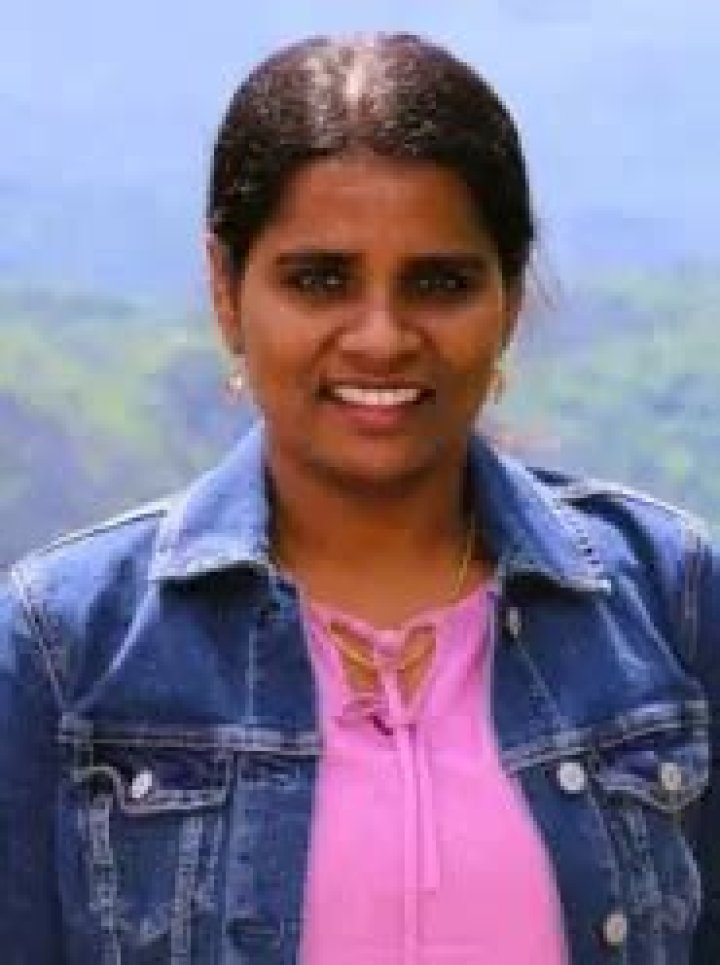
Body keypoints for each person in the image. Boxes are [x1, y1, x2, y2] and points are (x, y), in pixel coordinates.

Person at [0, 31, 717, 965]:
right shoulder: (68, 647)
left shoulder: (668, 602)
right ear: (226, 288)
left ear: (508, 296)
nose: (381, 336)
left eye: (440, 282)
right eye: (320, 280)